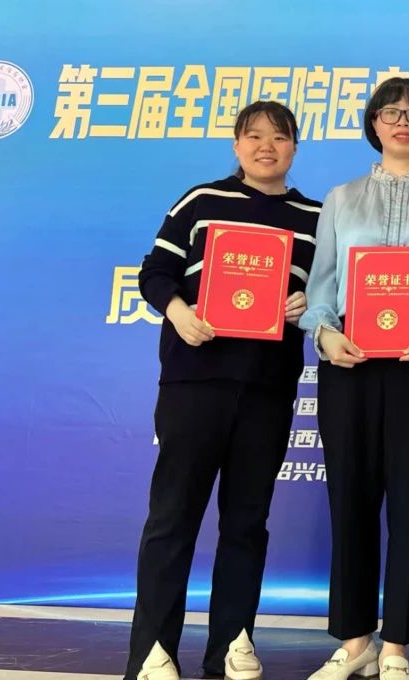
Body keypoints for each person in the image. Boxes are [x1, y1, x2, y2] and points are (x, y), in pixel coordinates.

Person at [127, 100, 320, 680]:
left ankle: (233, 643)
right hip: (195, 381)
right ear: (236, 146)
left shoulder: (315, 217)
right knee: (172, 517)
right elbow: (154, 272)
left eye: (279, 137)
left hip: (267, 388)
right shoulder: (200, 202)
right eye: (254, 136)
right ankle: (152, 652)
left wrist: (309, 303)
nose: (267, 147)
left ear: (294, 148)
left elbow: (333, 294)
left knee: (246, 522)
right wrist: (179, 311)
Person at [299, 77, 409, 680]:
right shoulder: (341, 198)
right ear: (373, 123)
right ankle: (355, 641)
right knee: (350, 498)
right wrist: (325, 334)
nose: (404, 122)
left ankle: (397, 643)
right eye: (391, 112)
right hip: (348, 363)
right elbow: (323, 283)